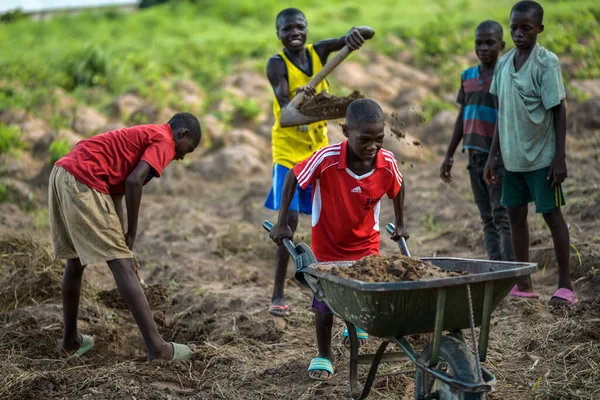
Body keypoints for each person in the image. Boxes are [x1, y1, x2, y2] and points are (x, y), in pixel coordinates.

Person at [270, 99, 408, 380]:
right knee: (324, 300)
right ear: (346, 132)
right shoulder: (327, 158)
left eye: (379, 140)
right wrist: (282, 222)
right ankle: (324, 354)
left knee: (363, 289)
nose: (372, 147)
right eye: (364, 140)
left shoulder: (387, 162)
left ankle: (354, 324)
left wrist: (401, 223)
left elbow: (398, 185)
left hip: (366, 241)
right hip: (328, 243)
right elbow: (293, 177)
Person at [49, 112, 201, 360]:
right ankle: (157, 347)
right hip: (83, 179)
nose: (182, 156)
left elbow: (117, 193)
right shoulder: (165, 140)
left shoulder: (146, 135)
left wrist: (123, 240)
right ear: (182, 134)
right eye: (188, 149)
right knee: (121, 264)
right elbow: (134, 182)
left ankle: (70, 342)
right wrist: (132, 233)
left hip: (63, 174)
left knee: (75, 261)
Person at [264, 8, 374, 318]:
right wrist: (309, 100)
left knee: (329, 216)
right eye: (287, 29)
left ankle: (334, 281)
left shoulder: (319, 51)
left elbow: (363, 33)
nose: (294, 32)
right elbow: (287, 112)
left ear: (307, 28)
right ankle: (277, 293)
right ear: (279, 34)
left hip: (317, 149)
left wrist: (354, 35)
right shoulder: (277, 64)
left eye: (299, 26)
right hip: (288, 149)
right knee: (289, 221)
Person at [484, 1, 576, 307]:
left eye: (526, 28)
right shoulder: (504, 63)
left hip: (541, 157)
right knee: (515, 216)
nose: (519, 33)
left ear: (540, 29)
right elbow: (502, 113)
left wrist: (559, 156)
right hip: (512, 159)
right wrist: (492, 156)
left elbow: (558, 109)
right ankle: (523, 282)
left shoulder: (546, 63)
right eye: (514, 28)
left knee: (552, 215)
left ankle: (565, 285)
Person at [441, 20, 514, 262]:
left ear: (502, 45)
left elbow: (505, 120)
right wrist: (449, 153)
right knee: (487, 217)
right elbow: (463, 117)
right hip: (473, 156)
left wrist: (493, 156)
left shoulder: (505, 76)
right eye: (479, 43)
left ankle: (510, 271)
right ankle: (495, 267)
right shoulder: (468, 76)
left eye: (490, 43)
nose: (483, 48)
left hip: (497, 158)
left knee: (501, 215)